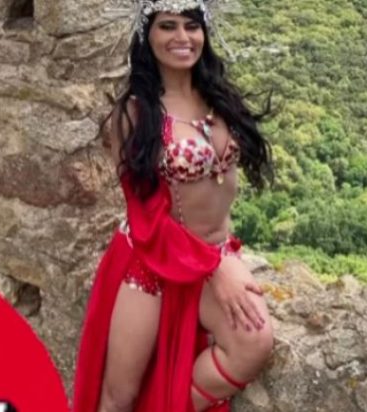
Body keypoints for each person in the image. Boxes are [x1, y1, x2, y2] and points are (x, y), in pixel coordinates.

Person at [72, 1, 275, 411]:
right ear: (146, 35)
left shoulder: (221, 99)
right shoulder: (135, 114)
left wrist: (218, 260)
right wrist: (215, 268)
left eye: (191, 26)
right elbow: (146, 218)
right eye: (167, 26)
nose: (182, 38)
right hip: (152, 259)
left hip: (214, 255)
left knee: (253, 342)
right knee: (119, 396)